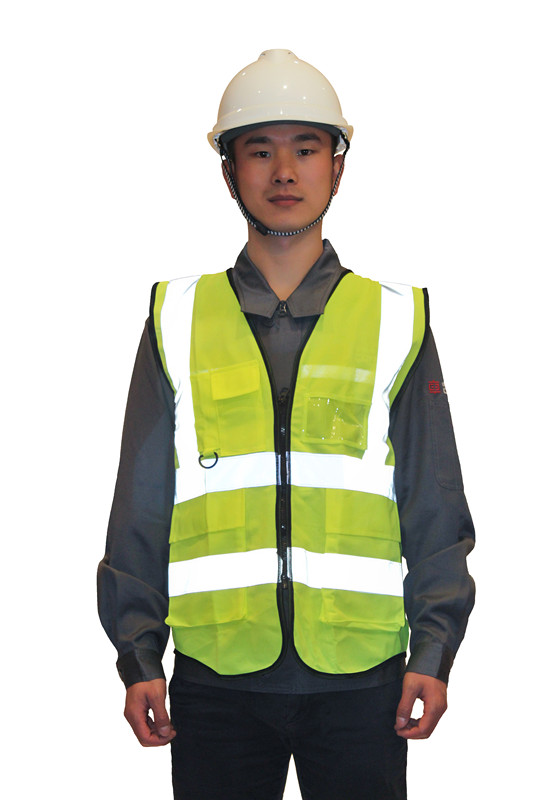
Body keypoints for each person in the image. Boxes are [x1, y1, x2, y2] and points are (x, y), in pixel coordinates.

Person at [98, 49, 475, 800]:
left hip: (362, 679)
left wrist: (434, 648)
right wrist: (138, 653)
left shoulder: (395, 319)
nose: (283, 172)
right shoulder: (176, 318)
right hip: (216, 678)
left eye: (305, 148)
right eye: (259, 150)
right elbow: (140, 501)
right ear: (228, 171)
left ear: (337, 166)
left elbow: (432, 501)